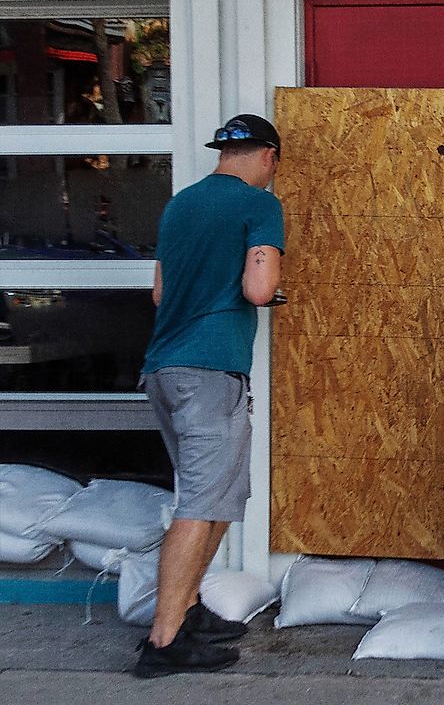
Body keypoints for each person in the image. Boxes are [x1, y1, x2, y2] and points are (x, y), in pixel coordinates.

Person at [133, 114, 285, 678]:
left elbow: (159, 292)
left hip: (165, 369)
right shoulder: (259, 204)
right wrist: (266, 294)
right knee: (200, 505)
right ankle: (164, 641)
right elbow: (258, 287)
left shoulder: (181, 205)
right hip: (211, 370)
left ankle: (188, 610)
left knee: (217, 494)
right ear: (267, 156)